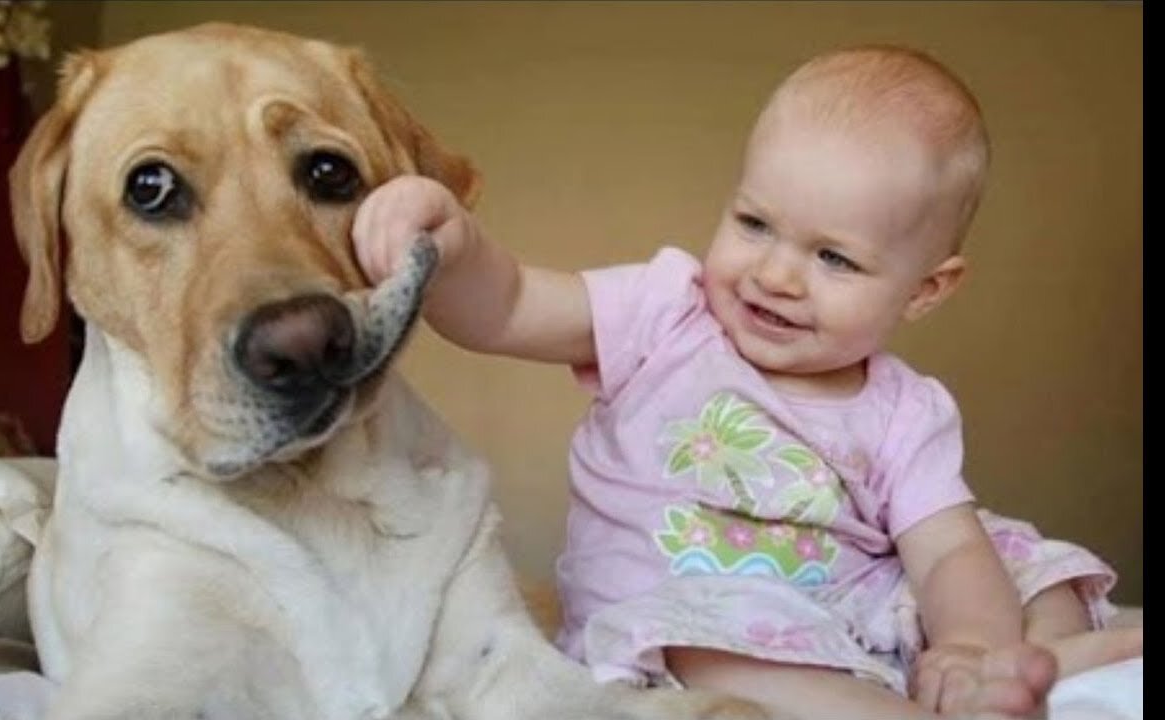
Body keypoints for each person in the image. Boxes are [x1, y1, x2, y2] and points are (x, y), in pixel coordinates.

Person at [351, 44, 1140, 719]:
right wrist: (453, 245)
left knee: (1019, 557)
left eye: (833, 258)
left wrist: (970, 645)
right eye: (755, 224)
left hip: (867, 611)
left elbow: (944, 552)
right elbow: (511, 305)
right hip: (701, 613)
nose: (774, 275)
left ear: (926, 289)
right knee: (704, 644)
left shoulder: (905, 407)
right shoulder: (667, 313)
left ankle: (1039, 661)